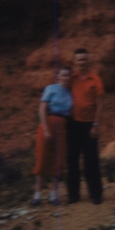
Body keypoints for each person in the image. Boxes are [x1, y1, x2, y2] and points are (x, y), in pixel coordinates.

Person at [67, 48, 104, 204]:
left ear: (89, 61)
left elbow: (100, 104)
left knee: (91, 161)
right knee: (72, 160)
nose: (82, 62)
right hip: (72, 124)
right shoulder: (71, 79)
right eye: (79, 60)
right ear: (74, 62)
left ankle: (96, 195)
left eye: (84, 59)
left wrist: (95, 125)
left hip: (89, 125)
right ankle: (73, 195)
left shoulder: (95, 79)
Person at [32, 65, 73, 206]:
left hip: (62, 126)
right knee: (43, 157)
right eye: (63, 75)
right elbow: (42, 109)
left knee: (59, 160)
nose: (66, 78)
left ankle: (53, 195)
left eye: (68, 75)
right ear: (58, 76)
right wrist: (46, 129)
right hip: (48, 122)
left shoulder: (70, 92)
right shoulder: (50, 88)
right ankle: (37, 196)